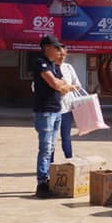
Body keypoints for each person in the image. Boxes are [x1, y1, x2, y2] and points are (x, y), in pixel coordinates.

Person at [32, 35, 75, 198]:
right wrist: (62, 85)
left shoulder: (53, 65)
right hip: (45, 110)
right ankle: (42, 182)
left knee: (51, 146)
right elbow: (56, 84)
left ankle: (49, 178)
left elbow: (63, 83)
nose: (59, 51)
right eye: (56, 48)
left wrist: (63, 85)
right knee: (45, 147)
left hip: (57, 110)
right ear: (47, 48)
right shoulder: (40, 63)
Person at [54, 47, 81, 161]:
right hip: (51, 109)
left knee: (66, 136)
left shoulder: (68, 68)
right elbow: (35, 87)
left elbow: (77, 85)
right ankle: (49, 165)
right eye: (59, 54)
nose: (61, 57)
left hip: (66, 109)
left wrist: (68, 88)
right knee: (51, 139)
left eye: (64, 55)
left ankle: (70, 162)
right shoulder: (47, 69)